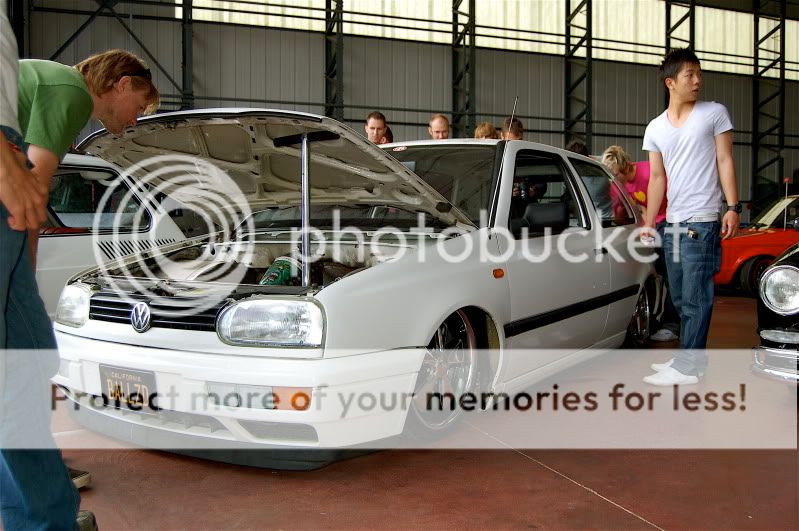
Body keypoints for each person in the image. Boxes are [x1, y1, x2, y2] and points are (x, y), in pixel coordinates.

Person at [2, 47, 158, 530]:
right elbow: (34, 192)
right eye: (140, 107)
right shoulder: (68, 89)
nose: (134, 121)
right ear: (123, 84)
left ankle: (36, 508)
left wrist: (21, 280)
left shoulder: (47, 84)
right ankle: (44, 517)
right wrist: (21, 272)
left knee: (27, 360)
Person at [641, 48, 739, 386]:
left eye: (699, 74)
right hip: (673, 223)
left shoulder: (714, 113)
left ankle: (688, 368)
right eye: (689, 76)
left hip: (702, 220)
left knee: (697, 298)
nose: (697, 81)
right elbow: (657, 178)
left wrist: (733, 205)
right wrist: (649, 222)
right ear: (671, 82)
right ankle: (689, 359)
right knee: (681, 296)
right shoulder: (655, 127)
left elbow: (725, 160)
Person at [602, 145, 680, 342]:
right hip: (643, 231)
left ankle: (672, 324)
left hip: (666, 224)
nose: (615, 180)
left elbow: (672, 199)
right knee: (653, 276)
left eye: (616, 175)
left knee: (672, 276)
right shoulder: (616, 184)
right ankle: (654, 318)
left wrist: (646, 213)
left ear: (624, 167)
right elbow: (617, 211)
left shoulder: (649, 171)